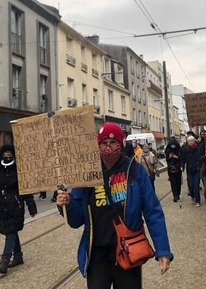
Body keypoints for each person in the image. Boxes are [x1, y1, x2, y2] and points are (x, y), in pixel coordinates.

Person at [56, 122, 173, 288]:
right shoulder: (88, 175)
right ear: (98, 146)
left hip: (128, 250)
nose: (108, 148)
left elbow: (153, 212)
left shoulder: (135, 171)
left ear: (121, 144)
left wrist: (162, 250)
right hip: (97, 255)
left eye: (113, 143)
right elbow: (76, 221)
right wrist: (66, 204)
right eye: (104, 143)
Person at [0, 145, 37, 274]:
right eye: (5, 156)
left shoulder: (19, 171)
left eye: (10, 155)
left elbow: (26, 191)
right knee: (10, 231)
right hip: (1, 205)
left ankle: (4, 261)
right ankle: (18, 256)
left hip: (15, 204)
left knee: (10, 231)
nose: (8, 158)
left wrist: (31, 207)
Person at [181, 135, 201, 206]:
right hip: (189, 170)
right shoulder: (185, 150)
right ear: (187, 142)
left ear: (194, 141)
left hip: (197, 169)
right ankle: (192, 196)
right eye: (189, 141)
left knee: (196, 185)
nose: (191, 142)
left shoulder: (198, 149)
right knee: (190, 186)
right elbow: (182, 159)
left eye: (192, 141)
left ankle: (198, 200)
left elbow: (200, 158)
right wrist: (182, 166)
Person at [165, 137, 183, 202]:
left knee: (178, 182)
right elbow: (167, 160)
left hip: (178, 168)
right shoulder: (167, 150)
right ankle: (175, 195)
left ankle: (178, 193)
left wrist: (176, 157)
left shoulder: (179, 149)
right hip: (171, 168)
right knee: (173, 182)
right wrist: (169, 157)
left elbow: (181, 159)